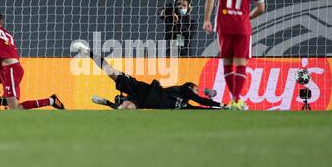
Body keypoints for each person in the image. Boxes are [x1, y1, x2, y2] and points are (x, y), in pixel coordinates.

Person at [202, 0, 265, 110]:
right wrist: (247, 17)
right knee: (241, 63)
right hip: (242, 27)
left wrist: (207, 20)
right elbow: (261, 8)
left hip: (224, 26)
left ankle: (234, 99)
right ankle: (237, 100)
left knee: (228, 63)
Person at [73, 42, 226, 110]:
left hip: (142, 102)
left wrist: (223, 110)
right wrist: (222, 105)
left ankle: (107, 102)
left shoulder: (185, 106)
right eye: (197, 89)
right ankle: (88, 51)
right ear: (191, 86)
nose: (197, 92)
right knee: (110, 71)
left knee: (124, 110)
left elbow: (200, 109)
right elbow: (201, 100)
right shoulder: (185, 89)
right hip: (142, 89)